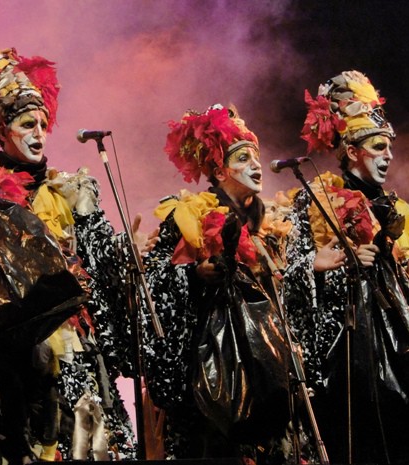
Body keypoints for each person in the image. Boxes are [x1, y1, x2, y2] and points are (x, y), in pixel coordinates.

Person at [0, 48, 136, 462]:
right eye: (26, 124)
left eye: (42, 124)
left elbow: (100, 261)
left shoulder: (70, 191)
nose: (39, 132)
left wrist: (125, 248)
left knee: (81, 441)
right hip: (1, 350)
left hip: (68, 340)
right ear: (3, 131)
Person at [142, 105, 292, 464]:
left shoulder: (273, 227)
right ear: (220, 170)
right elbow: (152, 284)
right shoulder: (188, 216)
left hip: (268, 376)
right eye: (243, 158)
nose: (256, 165)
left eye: (256, 157)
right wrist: (195, 275)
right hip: (211, 379)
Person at [284, 70, 409, 464]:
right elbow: (290, 274)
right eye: (378, 146)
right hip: (348, 345)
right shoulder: (318, 199)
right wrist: (327, 266)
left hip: (398, 331)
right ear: (353, 151)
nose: (388, 155)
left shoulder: (398, 209)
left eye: (389, 147)